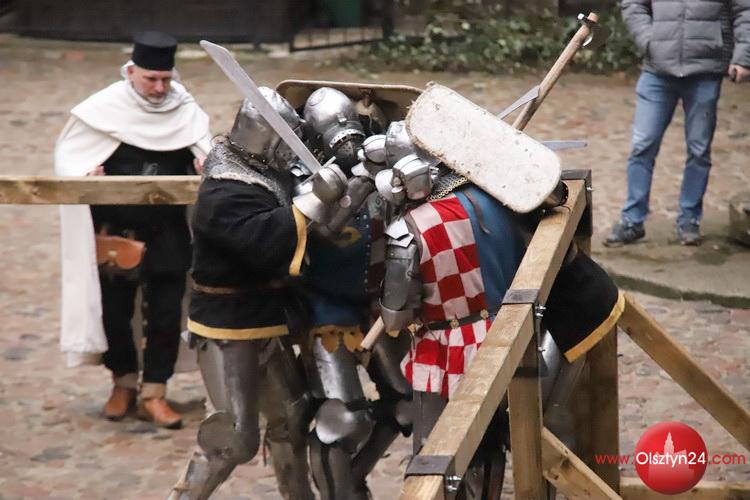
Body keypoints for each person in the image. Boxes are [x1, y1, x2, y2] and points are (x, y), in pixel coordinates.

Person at [376, 122, 625, 497]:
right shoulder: (501, 195)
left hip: (448, 351)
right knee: (495, 442)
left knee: (437, 453)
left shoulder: (409, 230)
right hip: (512, 335)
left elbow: (395, 318)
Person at [170, 88, 356, 500]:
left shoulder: (259, 171)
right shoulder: (224, 190)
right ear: (265, 138)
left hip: (266, 316)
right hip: (227, 326)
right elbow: (259, 240)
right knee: (234, 439)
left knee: (291, 420)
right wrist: (312, 201)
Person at [54, 31, 212, 428]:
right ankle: (122, 383)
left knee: (165, 316)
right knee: (115, 314)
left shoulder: (185, 111)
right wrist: (85, 176)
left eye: (165, 80)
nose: (159, 88)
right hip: (117, 232)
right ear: (130, 72)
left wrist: (204, 167)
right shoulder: (102, 110)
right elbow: (70, 160)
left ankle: (155, 391)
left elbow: (206, 156)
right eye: (150, 79)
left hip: (168, 232)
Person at [605, 0, 750, 247]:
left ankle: (689, 221)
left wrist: (743, 57)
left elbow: (744, 10)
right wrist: (649, 41)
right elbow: (633, 4)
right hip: (656, 72)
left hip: (706, 72)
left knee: (699, 150)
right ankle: (632, 220)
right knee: (642, 146)